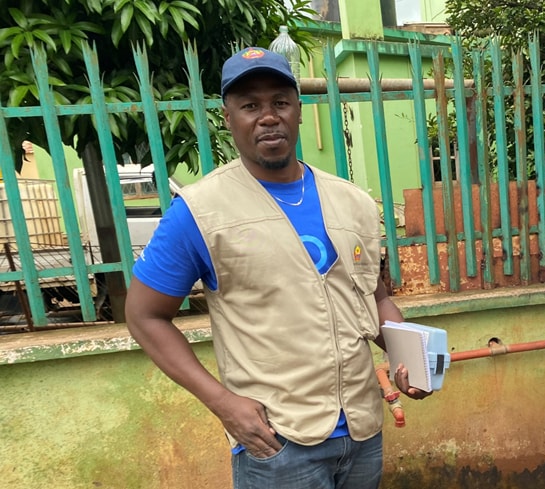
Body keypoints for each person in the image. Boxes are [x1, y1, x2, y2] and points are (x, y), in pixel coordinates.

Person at [125, 46, 428, 489]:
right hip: (278, 441)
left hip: (363, 432)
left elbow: (374, 297)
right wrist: (222, 403)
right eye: (250, 106)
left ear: (298, 112)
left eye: (280, 103)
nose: (268, 117)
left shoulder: (353, 202)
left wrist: (409, 362)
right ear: (228, 119)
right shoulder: (200, 210)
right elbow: (144, 315)